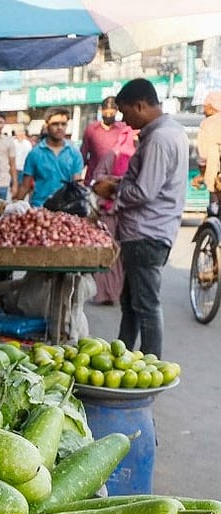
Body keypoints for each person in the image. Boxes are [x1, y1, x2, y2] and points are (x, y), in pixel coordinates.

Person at [91, 78, 188, 358]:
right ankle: (122, 355)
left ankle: (151, 365)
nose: (123, 119)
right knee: (132, 303)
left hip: (146, 232)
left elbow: (145, 191)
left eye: (124, 111)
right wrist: (119, 182)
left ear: (140, 106)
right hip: (150, 230)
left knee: (145, 306)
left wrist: (113, 190)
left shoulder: (159, 138)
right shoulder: (171, 132)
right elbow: (151, 182)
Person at [89, 128, 137, 305]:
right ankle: (103, 294)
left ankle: (117, 293)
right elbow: (98, 177)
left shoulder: (142, 156)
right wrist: (115, 181)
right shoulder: (114, 154)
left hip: (130, 212)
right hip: (109, 210)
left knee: (123, 256)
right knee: (108, 251)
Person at [15, 107, 84, 207]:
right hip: (40, 208)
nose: (59, 127)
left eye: (63, 124)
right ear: (47, 125)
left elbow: (77, 184)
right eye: (55, 124)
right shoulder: (35, 153)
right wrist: (15, 206)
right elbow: (25, 186)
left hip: (66, 209)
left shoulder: (74, 153)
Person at [80, 96, 132, 185]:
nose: (108, 115)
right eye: (106, 112)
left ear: (116, 111)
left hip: (115, 181)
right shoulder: (91, 130)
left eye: (111, 113)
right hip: (93, 179)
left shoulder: (123, 130)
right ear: (101, 110)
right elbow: (83, 155)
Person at [192, 90, 221, 211]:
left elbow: (203, 156)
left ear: (213, 106)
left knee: (215, 210)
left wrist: (203, 175)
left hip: (216, 178)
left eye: (206, 105)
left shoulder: (208, 124)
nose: (204, 109)